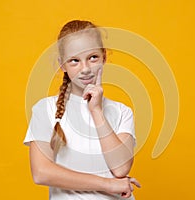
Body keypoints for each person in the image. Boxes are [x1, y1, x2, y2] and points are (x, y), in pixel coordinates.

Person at [23, 20, 140, 200]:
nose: (85, 69)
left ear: (104, 57)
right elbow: (41, 172)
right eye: (74, 61)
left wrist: (96, 111)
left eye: (92, 57)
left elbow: (121, 168)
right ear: (62, 65)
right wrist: (106, 184)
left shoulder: (122, 112)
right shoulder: (45, 109)